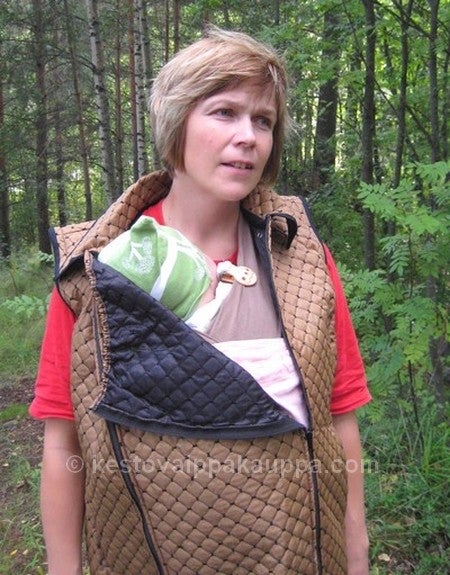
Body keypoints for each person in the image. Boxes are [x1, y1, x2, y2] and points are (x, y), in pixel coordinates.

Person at [30, 27, 371, 575]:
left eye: (263, 120)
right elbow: (63, 440)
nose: (248, 137)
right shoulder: (94, 268)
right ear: (176, 123)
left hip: (297, 556)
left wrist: (356, 556)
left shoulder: (303, 258)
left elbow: (340, 418)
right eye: (224, 112)